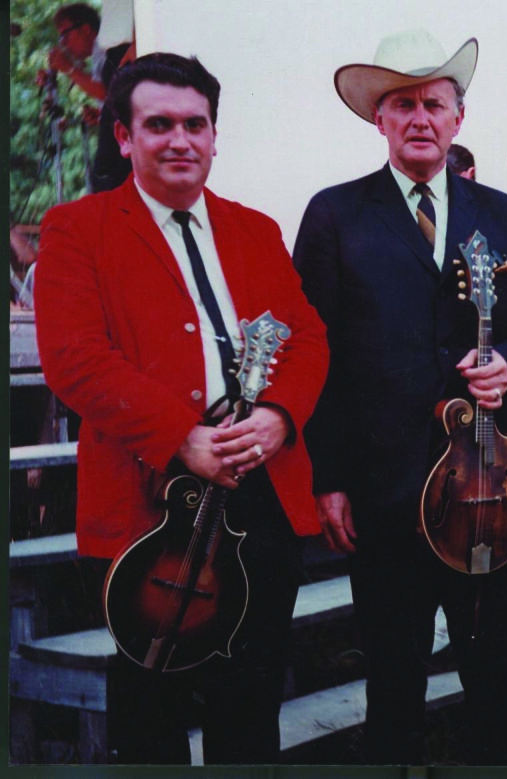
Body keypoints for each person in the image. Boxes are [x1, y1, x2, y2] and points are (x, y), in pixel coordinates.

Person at [32, 53, 329, 764]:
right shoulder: (78, 229)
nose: (179, 140)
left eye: (195, 124)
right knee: (149, 708)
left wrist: (280, 417)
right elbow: (74, 357)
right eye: (158, 124)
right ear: (124, 137)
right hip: (150, 500)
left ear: (214, 135)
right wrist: (179, 437)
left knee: (251, 703)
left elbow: (308, 335)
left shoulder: (255, 228)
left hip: (263, 491)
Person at [291, 29, 507, 765]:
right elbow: (311, 357)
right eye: (402, 104)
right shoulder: (334, 214)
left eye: (434, 103)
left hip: (491, 489)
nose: (420, 117)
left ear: (458, 118)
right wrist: (330, 480)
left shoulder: (502, 214)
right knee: (393, 678)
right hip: (384, 490)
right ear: (379, 120)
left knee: (495, 677)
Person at [46, 3, 134, 192]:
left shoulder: (107, 49)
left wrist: (69, 68)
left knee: (106, 187)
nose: (64, 43)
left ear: (85, 29)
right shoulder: (98, 54)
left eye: (65, 34)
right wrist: (102, 114)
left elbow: (109, 92)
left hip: (125, 137)